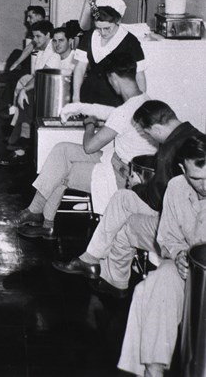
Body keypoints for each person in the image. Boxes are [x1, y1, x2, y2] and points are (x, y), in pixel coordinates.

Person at [52, 101, 201, 298]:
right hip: (190, 214)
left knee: (124, 220)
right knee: (121, 198)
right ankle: (91, 259)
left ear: (155, 128)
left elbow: (157, 199)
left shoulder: (169, 149)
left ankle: (111, 276)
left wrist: (137, 185)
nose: (149, 138)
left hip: (181, 226)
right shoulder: (195, 135)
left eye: (147, 134)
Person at [14, 54, 157, 239]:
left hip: (120, 175)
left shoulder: (125, 111)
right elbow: (111, 113)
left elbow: (89, 147)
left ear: (113, 78)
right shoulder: (144, 101)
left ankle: (45, 222)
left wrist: (89, 126)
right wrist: (81, 107)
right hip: (122, 163)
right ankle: (36, 212)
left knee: (62, 171)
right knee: (62, 150)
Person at [118, 134, 206, 377]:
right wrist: (179, 255)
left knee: (144, 293)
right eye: (197, 179)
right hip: (189, 270)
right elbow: (167, 237)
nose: (205, 186)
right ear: (182, 169)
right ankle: (154, 369)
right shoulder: (176, 188)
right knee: (161, 279)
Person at [0, 25, 76, 166]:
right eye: (55, 41)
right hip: (54, 94)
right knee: (28, 95)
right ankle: (22, 141)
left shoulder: (76, 58)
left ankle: (21, 144)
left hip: (69, 98)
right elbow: (40, 76)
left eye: (61, 41)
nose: (57, 45)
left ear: (70, 41)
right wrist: (24, 90)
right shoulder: (55, 57)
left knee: (30, 99)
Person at [73, 0, 147, 107]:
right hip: (88, 94)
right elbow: (80, 68)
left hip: (116, 99)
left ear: (118, 22)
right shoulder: (89, 36)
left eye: (107, 28)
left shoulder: (130, 41)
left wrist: (140, 103)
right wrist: (76, 97)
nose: (103, 32)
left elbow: (139, 75)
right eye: (98, 28)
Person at [0, 5, 46, 118]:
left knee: (15, 75)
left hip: (41, 65)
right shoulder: (36, 29)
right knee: (16, 55)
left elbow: (32, 49)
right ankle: (11, 105)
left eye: (30, 17)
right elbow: (29, 47)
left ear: (39, 16)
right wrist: (16, 63)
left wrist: (17, 64)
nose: (27, 20)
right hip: (34, 60)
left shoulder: (44, 30)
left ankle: (12, 108)